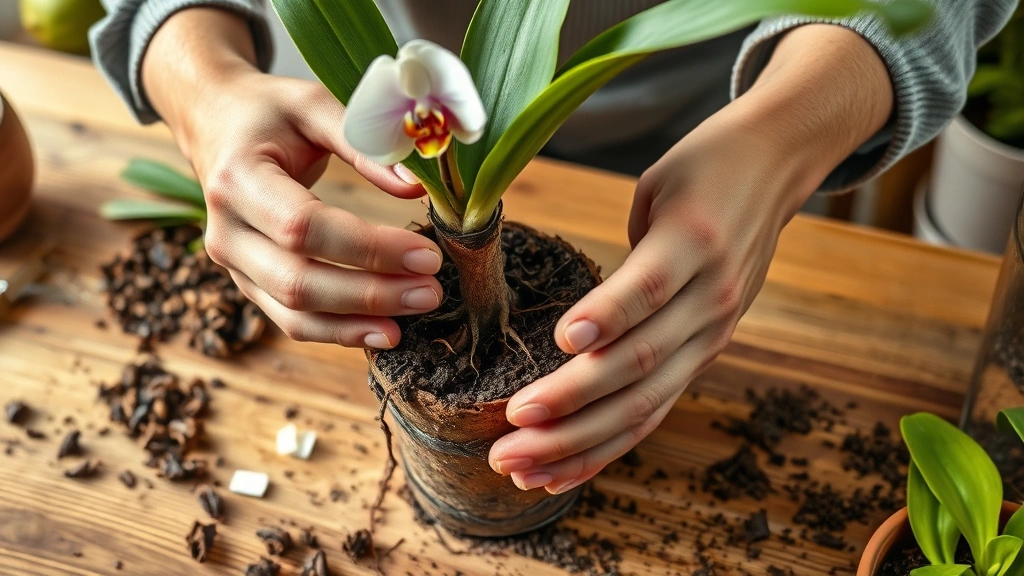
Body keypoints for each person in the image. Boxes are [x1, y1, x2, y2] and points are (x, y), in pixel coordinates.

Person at [91, 0, 1017, 496]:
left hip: (724, 114)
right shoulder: (414, 121)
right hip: (344, 98)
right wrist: (204, 81)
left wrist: (784, 137)